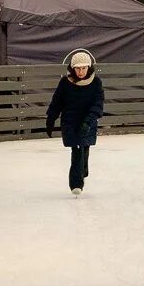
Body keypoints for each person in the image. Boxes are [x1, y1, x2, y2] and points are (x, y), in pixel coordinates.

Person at [45, 49, 105, 197]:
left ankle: (81, 172)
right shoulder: (65, 83)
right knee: (77, 150)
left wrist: (89, 122)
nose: (80, 72)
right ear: (72, 68)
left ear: (89, 67)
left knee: (84, 149)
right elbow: (57, 102)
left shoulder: (96, 82)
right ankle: (76, 184)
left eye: (83, 68)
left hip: (88, 122)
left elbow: (98, 104)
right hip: (70, 122)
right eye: (77, 68)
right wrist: (50, 118)